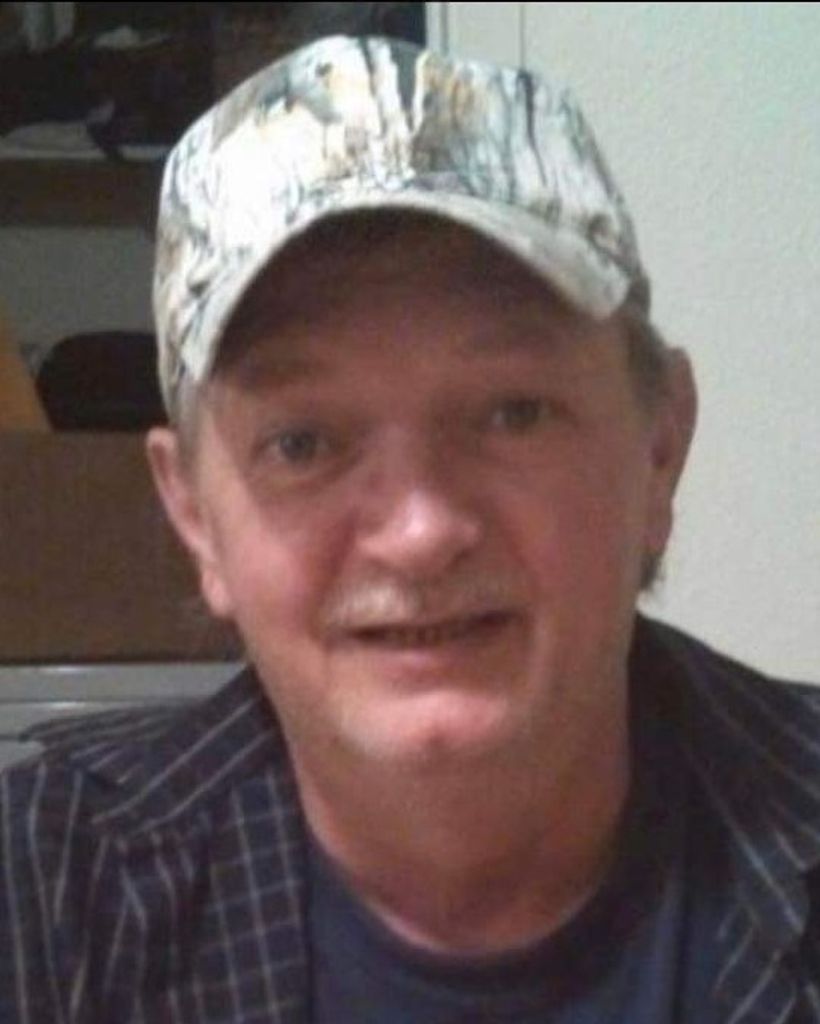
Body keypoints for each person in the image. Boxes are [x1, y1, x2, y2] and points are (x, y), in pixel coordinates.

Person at [2, 34, 819, 1024]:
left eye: (513, 412)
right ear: (196, 517)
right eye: (302, 442)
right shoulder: (46, 889)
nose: (422, 531)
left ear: (659, 449)